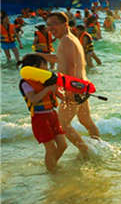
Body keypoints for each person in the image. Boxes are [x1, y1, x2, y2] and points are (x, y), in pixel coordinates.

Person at [35, 12, 101, 158]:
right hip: (81, 87)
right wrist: (39, 56)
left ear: (65, 24)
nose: (50, 28)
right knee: (86, 121)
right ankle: (99, 146)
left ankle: (86, 152)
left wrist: (69, 90)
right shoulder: (70, 39)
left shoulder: (66, 41)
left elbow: (71, 65)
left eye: (54, 24)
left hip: (74, 89)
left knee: (62, 124)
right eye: (48, 25)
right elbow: (60, 59)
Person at [18, 54, 68, 171]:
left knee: (63, 145)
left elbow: (61, 96)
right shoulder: (25, 83)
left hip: (52, 114)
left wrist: (71, 96)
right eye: (44, 66)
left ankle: (51, 166)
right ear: (34, 67)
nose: (47, 68)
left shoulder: (45, 81)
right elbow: (33, 99)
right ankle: (52, 171)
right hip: (39, 118)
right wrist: (48, 89)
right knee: (50, 148)